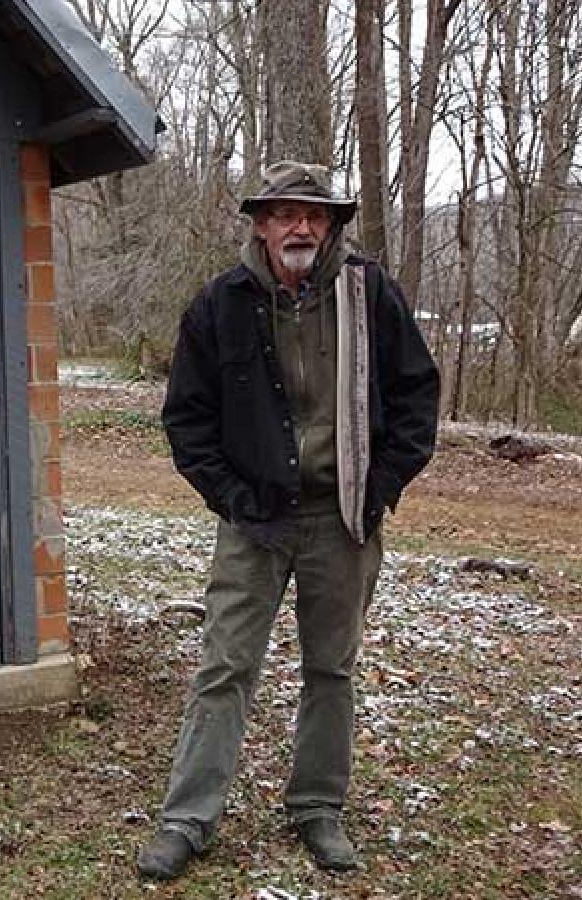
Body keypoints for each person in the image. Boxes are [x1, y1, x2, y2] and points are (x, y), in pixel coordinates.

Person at [137, 161, 440, 880]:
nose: (300, 226)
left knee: (331, 669)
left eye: (314, 214)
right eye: (284, 213)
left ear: (331, 225)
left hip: (342, 521)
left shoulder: (371, 297)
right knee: (224, 668)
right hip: (254, 524)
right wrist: (234, 498)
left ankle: (317, 809)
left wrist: (379, 487)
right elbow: (187, 421)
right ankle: (187, 818)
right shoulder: (221, 304)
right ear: (261, 224)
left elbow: (417, 398)